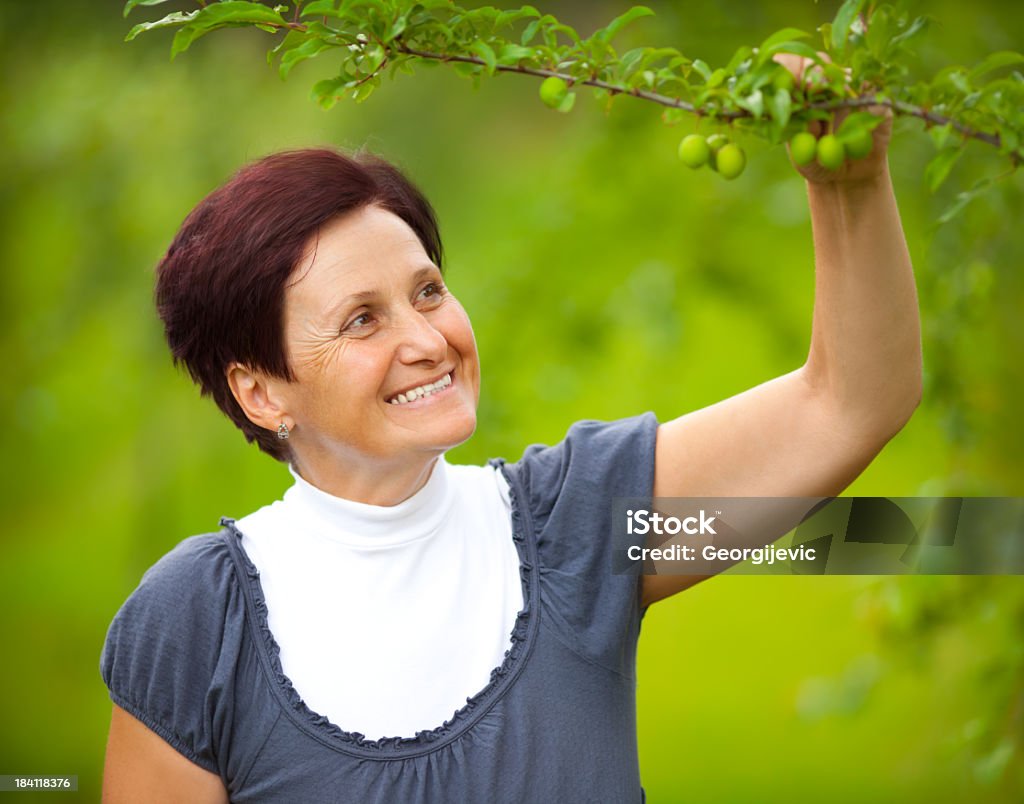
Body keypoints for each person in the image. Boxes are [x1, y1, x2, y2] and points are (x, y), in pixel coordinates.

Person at [100, 56, 921, 803]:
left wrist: (848, 187)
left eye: (427, 292)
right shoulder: (196, 622)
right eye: (361, 321)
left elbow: (848, 402)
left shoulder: (578, 526)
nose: (428, 342)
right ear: (260, 393)